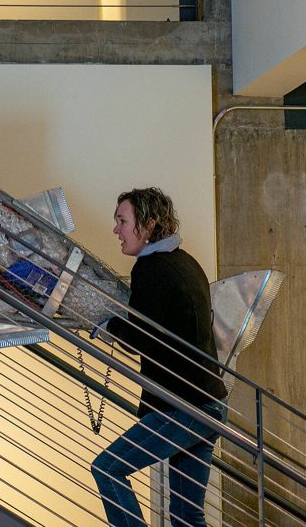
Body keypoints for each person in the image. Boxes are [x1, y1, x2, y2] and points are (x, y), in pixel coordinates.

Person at [91, 187, 227, 526]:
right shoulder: (185, 261)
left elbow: (139, 337)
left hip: (184, 405)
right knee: (186, 515)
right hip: (210, 402)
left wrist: (107, 325)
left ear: (150, 225)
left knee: (107, 469)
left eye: (123, 221)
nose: (116, 230)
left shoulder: (150, 268)